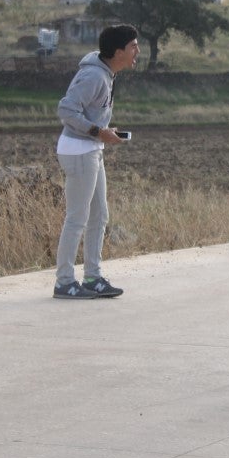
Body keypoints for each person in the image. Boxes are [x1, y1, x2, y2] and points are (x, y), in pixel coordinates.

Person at [53, 24, 140, 299]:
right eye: (133, 46)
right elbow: (66, 110)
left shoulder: (106, 73)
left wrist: (104, 130)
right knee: (77, 218)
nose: (138, 50)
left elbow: (90, 114)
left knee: (99, 215)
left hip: (90, 147)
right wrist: (96, 131)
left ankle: (92, 277)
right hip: (79, 150)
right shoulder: (94, 75)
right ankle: (64, 282)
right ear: (117, 52)